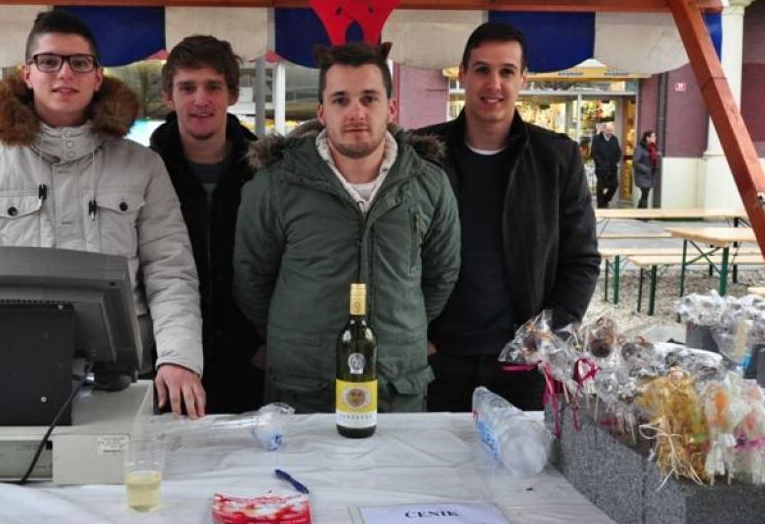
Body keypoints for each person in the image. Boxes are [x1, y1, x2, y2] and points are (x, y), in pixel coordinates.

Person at [0, 10, 206, 418]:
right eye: (49, 61)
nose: (65, 73)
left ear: (97, 76)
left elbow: (170, 272)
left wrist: (179, 358)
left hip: (123, 376)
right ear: (27, 74)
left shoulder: (142, 166)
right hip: (15, 372)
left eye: (79, 62)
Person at [233, 42, 460, 413]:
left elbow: (441, 275)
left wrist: (401, 330)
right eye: (341, 100)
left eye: (369, 98)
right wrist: (297, 337)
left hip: (396, 385)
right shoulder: (276, 186)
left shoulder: (429, 184)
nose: (356, 112)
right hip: (302, 388)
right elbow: (252, 279)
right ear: (322, 111)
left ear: (391, 108)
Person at [413, 22, 600, 412]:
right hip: (436, 362)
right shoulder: (422, 154)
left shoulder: (556, 158)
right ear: (462, 74)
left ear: (523, 79)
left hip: (523, 366)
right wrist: (414, 335)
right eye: (482, 69)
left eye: (507, 71)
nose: (493, 84)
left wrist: (548, 337)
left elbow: (581, 260)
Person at [149, 35, 264, 414]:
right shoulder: (144, 171)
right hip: (166, 365)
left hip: (251, 364)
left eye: (213, 86)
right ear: (168, 97)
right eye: (187, 87)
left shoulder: (267, 172)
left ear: (232, 94)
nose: (201, 99)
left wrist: (267, 344)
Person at [591, 121, 621, 208]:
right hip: (601, 168)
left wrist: (616, 161)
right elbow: (594, 153)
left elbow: (618, 152)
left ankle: (605, 200)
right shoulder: (597, 139)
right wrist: (600, 163)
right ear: (604, 129)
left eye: (611, 130)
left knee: (614, 185)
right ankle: (600, 205)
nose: (610, 132)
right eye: (608, 130)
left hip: (612, 168)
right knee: (601, 187)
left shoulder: (614, 139)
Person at [634, 130, 659, 208]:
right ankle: (643, 212)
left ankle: (640, 211)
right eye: (653, 136)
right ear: (647, 138)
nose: (655, 138)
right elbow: (635, 162)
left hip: (650, 175)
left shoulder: (653, 147)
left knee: (645, 194)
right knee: (645, 193)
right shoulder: (640, 148)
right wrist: (646, 169)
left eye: (655, 136)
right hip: (642, 175)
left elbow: (653, 159)